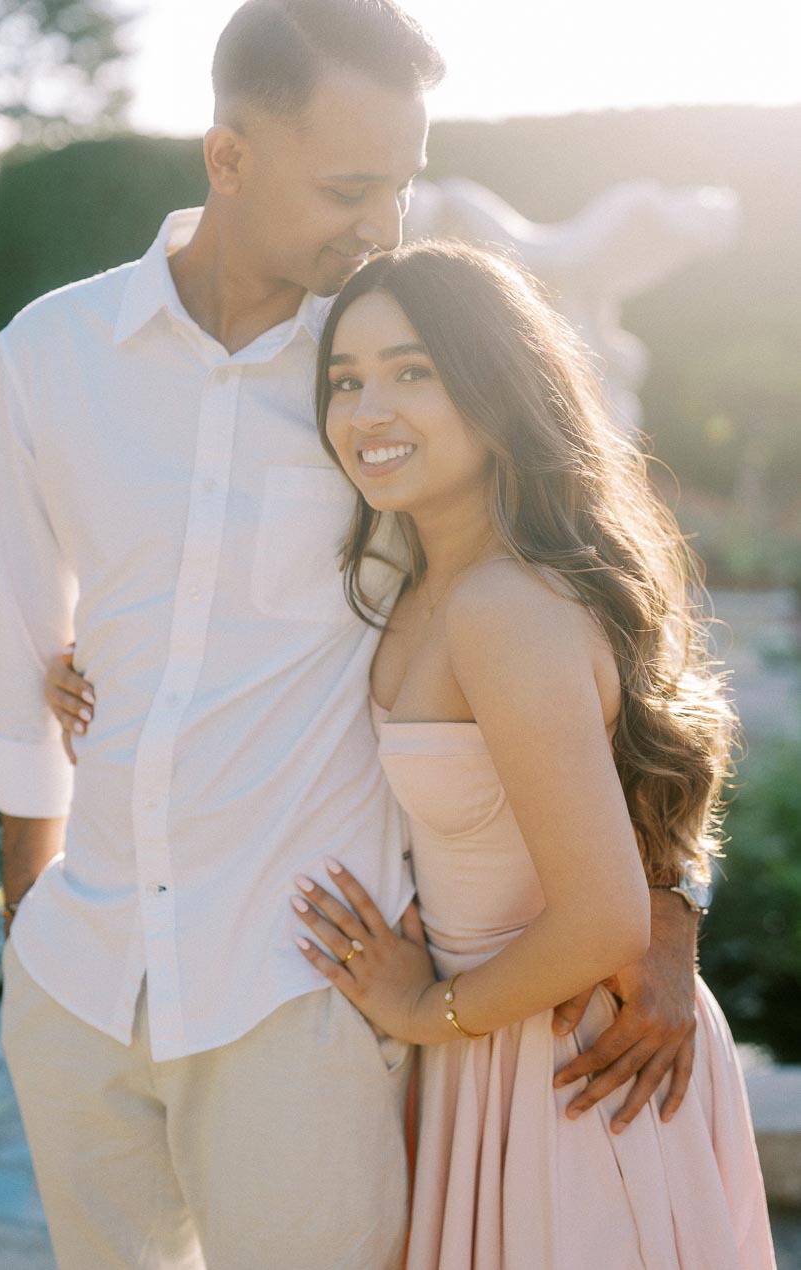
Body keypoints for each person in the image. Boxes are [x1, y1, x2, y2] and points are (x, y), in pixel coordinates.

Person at [0, 0, 695, 1270]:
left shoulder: (390, 369)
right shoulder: (50, 352)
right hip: (79, 978)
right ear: (230, 155)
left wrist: (670, 905)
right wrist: (26, 938)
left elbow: (610, 632)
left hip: (300, 989)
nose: (383, 224)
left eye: (401, 184)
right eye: (348, 189)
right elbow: (20, 671)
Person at [281, 240, 773, 1268]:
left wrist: (425, 1008)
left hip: (568, 1064)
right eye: (346, 380)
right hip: (500, 1053)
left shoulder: (503, 606)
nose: (368, 410)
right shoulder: (414, 581)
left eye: (413, 371)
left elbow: (601, 918)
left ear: (498, 394)